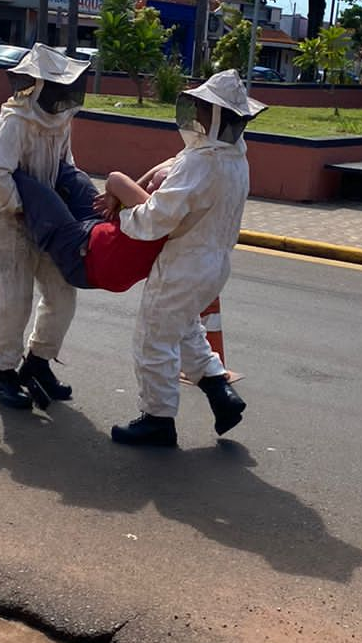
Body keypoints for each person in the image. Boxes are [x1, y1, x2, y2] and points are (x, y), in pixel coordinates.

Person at [110, 70, 264, 448]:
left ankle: (157, 420)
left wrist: (121, 211)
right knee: (185, 329)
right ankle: (220, 392)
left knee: (153, 340)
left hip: (184, 264)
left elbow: (157, 218)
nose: (194, 114)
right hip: (215, 264)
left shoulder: (202, 163)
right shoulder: (233, 160)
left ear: (214, 117)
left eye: (202, 109)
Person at [0, 43, 92, 411]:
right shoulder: (16, 120)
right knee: (13, 303)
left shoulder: (61, 120)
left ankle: (37, 364)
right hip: (8, 225)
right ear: (38, 86)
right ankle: (4, 374)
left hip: (48, 223)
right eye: (56, 87)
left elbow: (64, 165)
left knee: (62, 295)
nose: (62, 94)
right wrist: (22, 207)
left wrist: (76, 197)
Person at [12, 164, 167, 292]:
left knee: (36, 192)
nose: (149, 184)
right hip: (98, 230)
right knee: (75, 177)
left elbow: (115, 179)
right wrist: (118, 198)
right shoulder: (175, 206)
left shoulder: (157, 215)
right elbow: (172, 160)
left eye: (153, 185)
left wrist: (119, 194)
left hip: (81, 258)